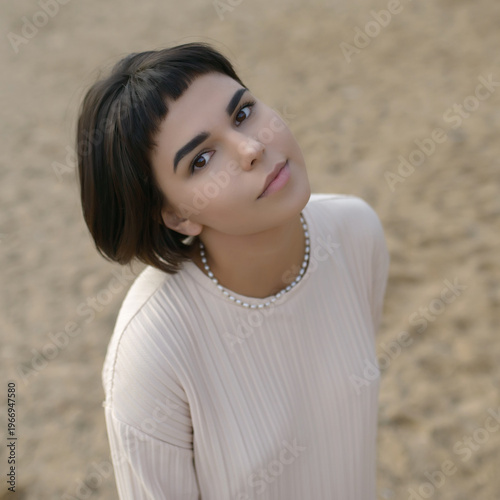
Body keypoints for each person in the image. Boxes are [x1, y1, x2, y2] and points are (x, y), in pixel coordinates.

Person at [76, 42, 390, 499]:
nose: (250, 149)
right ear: (178, 216)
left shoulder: (355, 232)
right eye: (202, 159)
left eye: (243, 113)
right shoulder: (151, 351)